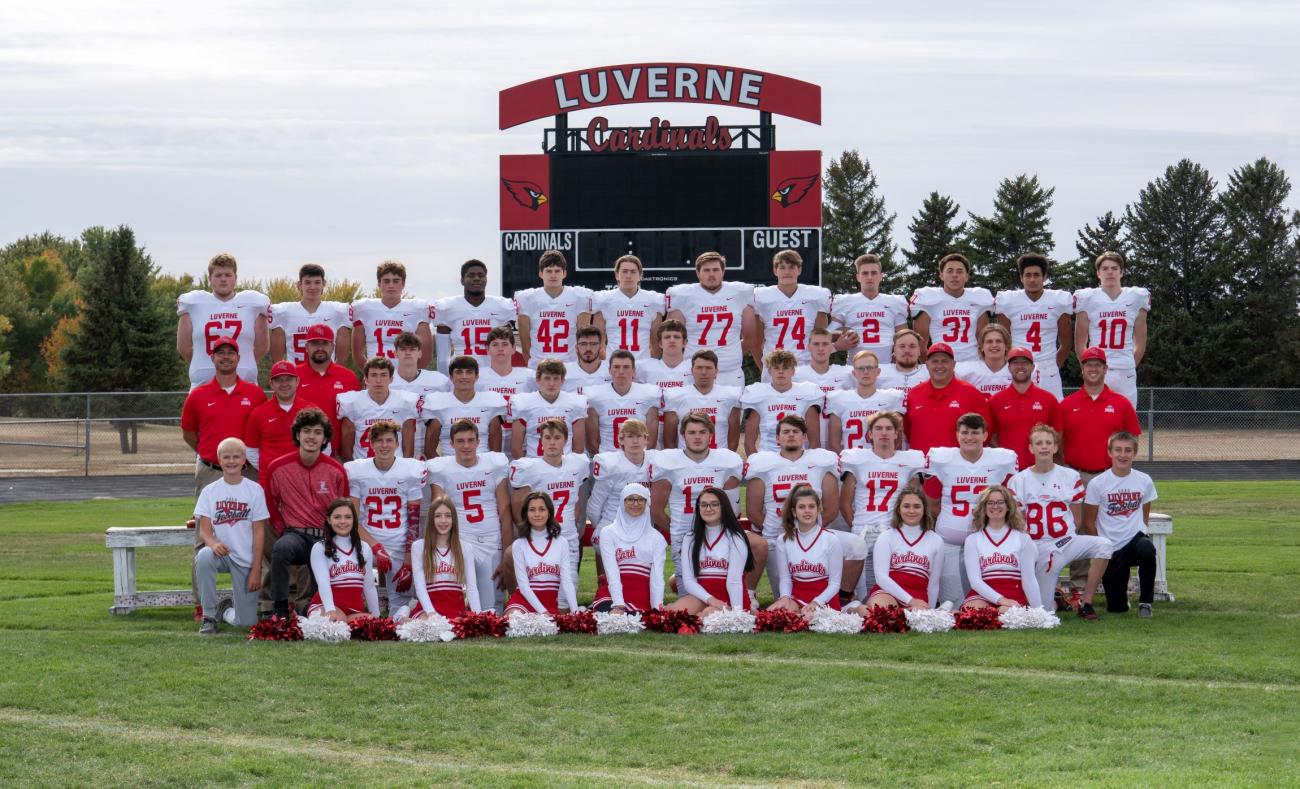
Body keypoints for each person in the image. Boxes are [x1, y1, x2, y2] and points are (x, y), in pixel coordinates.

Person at [180, 337, 267, 615]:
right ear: (212, 358)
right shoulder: (199, 395)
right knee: (203, 537)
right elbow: (189, 434)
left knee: (252, 532)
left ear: (238, 358)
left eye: (231, 353)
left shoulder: (254, 394)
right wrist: (214, 459)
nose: (226, 357)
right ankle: (201, 603)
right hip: (210, 471)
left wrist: (240, 462)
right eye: (220, 353)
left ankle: (258, 597)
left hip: (247, 472)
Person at [262, 408, 360, 618]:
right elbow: (271, 503)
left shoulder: (336, 470)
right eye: (307, 431)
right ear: (298, 434)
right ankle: (279, 610)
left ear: (325, 438)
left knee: (319, 600)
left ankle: (312, 609)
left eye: (317, 432)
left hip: (325, 538)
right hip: (295, 535)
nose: (311, 437)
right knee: (281, 548)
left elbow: (342, 506)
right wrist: (282, 527)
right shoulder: (278, 467)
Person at [1009, 424, 1113, 619]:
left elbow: (1077, 519)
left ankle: (1086, 602)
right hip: (1039, 546)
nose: (1044, 447)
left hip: (1067, 541)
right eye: (1038, 443)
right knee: (1044, 612)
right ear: (1031, 448)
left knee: (1105, 545)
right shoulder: (1019, 480)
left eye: (1048, 442)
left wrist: (1064, 539)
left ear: (1055, 447)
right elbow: (1019, 522)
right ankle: (1056, 600)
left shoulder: (1070, 476)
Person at [923, 413, 1018, 606]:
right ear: (957, 435)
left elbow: (1011, 498)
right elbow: (930, 499)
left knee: (991, 595)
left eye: (975, 432)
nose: (969, 437)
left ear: (985, 435)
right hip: (950, 540)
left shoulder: (1002, 458)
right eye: (964, 432)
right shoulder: (941, 458)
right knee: (953, 601)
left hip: (988, 542)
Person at [745, 415, 844, 599]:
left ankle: (849, 598)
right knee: (784, 595)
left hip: (813, 538)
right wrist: (779, 530)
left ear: (804, 437)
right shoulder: (763, 464)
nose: (791, 435)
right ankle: (748, 598)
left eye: (796, 432)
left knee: (856, 546)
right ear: (777, 438)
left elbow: (831, 509)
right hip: (776, 538)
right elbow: (753, 511)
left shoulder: (821, 462)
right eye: (786, 432)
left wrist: (809, 534)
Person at [649, 413, 750, 585]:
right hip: (683, 534)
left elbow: (733, 510)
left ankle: (749, 594)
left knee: (721, 584)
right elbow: (656, 511)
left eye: (702, 432)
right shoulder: (668, 462)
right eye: (692, 432)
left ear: (711, 434)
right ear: (683, 435)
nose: (697, 437)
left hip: (717, 534)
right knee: (688, 594)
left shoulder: (726, 461)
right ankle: (678, 582)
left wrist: (716, 530)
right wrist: (677, 529)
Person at [426, 420, 513, 613]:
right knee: (455, 603)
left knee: (493, 607)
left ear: (478, 442)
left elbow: (505, 511)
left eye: (470, 440)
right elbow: (439, 515)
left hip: (491, 541)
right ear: (451, 444)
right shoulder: (441, 468)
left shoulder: (494, 464)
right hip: (459, 541)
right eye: (460, 441)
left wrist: (506, 555)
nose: (466, 446)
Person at [838, 411, 926, 594]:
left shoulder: (910, 461)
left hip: (896, 531)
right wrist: (857, 526)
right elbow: (845, 503)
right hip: (864, 530)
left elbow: (916, 500)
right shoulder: (857, 460)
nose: (883, 433)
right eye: (878, 428)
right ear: (870, 434)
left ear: (896, 433)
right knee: (864, 591)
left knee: (894, 587)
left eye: (888, 428)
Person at [345, 419, 426, 614]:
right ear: (371, 444)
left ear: (397, 444)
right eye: (379, 440)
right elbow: (352, 520)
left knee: (401, 604)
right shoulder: (357, 470)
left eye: (389, 440)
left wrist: (408, 561)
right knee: (349, 588)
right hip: (365, 541)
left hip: (399, 544)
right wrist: (375, 546)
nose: (384, 445)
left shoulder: (410, 470)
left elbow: (414, 521)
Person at [194, 437, 268, 633]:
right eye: (226, 457)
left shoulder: (255, 490)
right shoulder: (210, 491)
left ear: (244, 459)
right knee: (203, 555)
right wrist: (212, 542)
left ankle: (225, 609)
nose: (231, 461)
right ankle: (209, 615)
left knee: (246, 623)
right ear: (219, 459)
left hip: (245, 559)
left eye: (236, 456)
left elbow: (259, 532)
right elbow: (204, 529)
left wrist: (256, 570)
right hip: (221, 554)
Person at [1084, 431, 1159, 617]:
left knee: (1147, 549)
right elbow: (1088, 522)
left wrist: (1140, 533)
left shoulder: (1144, 480)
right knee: (1117, 608)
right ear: (1110, 452)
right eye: (1118, 450)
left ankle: (1146, 602)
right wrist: (1102, 548)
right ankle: (1121, 595)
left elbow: (1144, 516)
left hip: (1135, 540)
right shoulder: (1097, 483)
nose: (1122, 455)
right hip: (1111, 547)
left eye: (1128, 450)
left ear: (1134, 453)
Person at [509, 419, 590, 580]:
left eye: (557, 438)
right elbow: (517, 507)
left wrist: (570, 525)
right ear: (541, 441)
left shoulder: (578, 464)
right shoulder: (529, 468)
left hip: (568, 537)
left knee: (567, 595)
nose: (552, 442)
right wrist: (530, 533)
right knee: (540, 588)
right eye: (547, 437)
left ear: (566, 441)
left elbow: (577, 502)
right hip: (540, 536)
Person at [175, 252, 269, 388]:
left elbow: (262, 347)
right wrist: (202, 365)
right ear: (210, 278)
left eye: (228, 275)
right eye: (218, 275)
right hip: (203, 385)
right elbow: (184, 348)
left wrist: (243, 366)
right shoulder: (193, 303)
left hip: (244, 384)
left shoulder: (253, 303)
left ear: (235, 278)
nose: (223, 279)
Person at [665, 251, 756, 388]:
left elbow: (750, 339)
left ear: (723, 272)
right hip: (694, 371)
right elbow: (672, 337)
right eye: (706, 270)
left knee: (733, 409)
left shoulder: (739, 293)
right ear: (698, 273)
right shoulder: (683, 295)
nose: (711, 274)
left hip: (729, 372)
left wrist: (730, 355)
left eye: (715, 270)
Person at [1073, 251, 1150, 407]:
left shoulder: (1136, 297)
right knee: (1096, 420)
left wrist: (1129, 364)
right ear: (1098, 273)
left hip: (1125, 367)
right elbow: (1080, 343)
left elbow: (1140, 341)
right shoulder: (1087, 298)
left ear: (1121, 272)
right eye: (1105, 268)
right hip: (1098, 366)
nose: (1110, 272)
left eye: (1114, 268)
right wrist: (1089, 367)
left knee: (1126, 422)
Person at [849, 486, 944, 612]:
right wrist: (910, 600)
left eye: (917, 506)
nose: (911, 511)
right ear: (898, 509)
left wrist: (929, 610)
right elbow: (881, 578)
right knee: (881, 612)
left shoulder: (936, 540)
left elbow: (934, 583)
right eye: (906, 506)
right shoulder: (887, 537)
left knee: (913, 621)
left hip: (918, 596)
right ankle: (853, 608)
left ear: (924, 509)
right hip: (887, 592)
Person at [665, 487, 755, 615]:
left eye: (714, 504)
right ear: (698, 508)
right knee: (673, 612)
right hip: (703, 596)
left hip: (730, 597)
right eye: (704, 505)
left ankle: (748, 611)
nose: (708, 509)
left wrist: (738, 612)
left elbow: (734, 581)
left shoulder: (735, 537)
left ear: (723, 507)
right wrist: (710, 599)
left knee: (707, 615)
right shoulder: (690, 539)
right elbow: (689, 581)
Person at [994, 253, 1073, 398]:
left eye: (1036, 275)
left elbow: (1066, 343)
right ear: (1021, 277)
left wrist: (1053, 365)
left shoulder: (1058, 300)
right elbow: (1003, 340)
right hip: (1017, 365)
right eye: (1028, 275)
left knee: (1053, 414)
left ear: (1044, 277)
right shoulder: (1008, 301)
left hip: (1048, 367)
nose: (1032, 279)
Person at [1059, 347, 1142, 477]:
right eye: (1089, 365)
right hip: (1074, 476)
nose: (1093, 369)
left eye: (1098, 365)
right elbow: (1058, 441)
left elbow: (1133, 440)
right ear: (1082, 369)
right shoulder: (1066, 405)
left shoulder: (1122, 404)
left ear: (1105, 369)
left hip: (1110, 475)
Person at [767, 485, 845, 618]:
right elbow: (785, 579)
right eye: (801, 507)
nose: (807, 511)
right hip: (797, 596)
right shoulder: (783, 540)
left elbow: (835, 584)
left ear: (819, 509)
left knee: (804, 618)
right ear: (793, 511)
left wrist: (817, 602)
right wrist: (785, 597)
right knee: (771, 615)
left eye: (811, 506)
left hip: (823, 599)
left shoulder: (831, 540)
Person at [399, 495, 482, 620]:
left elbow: (472, 587)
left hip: (455, 608)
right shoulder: (419, 546)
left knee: (459, 626)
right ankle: (402, 615)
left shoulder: (465, 547)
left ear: (453, 519)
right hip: (428, 608)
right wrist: (431, 614)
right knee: (421, 627)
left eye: (448, 516)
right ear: (431, 519)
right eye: (438, 516)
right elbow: (420, 585)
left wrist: (478, 617)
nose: (443, 520)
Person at [961, 485, 1041, 611]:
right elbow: (975, 581)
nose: (995, 506)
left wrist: (1038, 611)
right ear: (984, 507)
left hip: (1013, 593)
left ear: (1008, 506)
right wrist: (1001, 600)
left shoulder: (1023, 538)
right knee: (972, 610)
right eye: (990, 503)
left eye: (1000, 502)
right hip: (983, 594)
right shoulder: (972, 540)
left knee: (1005, 612)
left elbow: (1029, 579)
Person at [904, 342, 992, 455]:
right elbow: (907, 431)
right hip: (921, 467)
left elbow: (986, 431)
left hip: (956, 468)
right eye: (935, 361)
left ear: (954, 364)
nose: (939, 365)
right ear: (927, 365)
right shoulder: (914, 394)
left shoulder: (971, 393)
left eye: (944, 361)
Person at [751, 249, 833, 369]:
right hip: (774, 365)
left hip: (805, 364)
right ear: (775, 270)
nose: (787, 272)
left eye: (791, 267)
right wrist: (764, 367)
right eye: (782, 267)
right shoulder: (760, 297)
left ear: (799, 270)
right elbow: (756, 341)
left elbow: (822, 338)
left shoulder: (816, 296)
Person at [591, 484, 667, 613]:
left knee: (636, 620)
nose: (635, 504)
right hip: (613, 593)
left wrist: (656, 608)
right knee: (609, 616)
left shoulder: (657, 538)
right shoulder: (608, 532)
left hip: (641, 594)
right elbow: (611, 571)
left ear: (647, 502)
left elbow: (657, 577)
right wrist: (618, 604)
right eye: (630, 499)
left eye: (640, 499)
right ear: (622, 502)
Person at [504, 492, 578, 617]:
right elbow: (523, 586)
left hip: (550, 601)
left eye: (542, 509)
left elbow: (566, 580)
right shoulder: (519, 544)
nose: (537, 514)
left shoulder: (561, 542)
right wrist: (543, 612)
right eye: (532, 510)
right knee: (513, 618)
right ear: (526, 514)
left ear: (549, 512)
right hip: (525, 600)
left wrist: (575, 611)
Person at [909, 252, 993, 363]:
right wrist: (933, 366)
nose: (954, 275)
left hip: (973, 363)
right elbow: (920, 345)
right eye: (949, 271)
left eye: (959, 271)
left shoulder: (979, 297)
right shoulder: (927, 298)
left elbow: (982, 340)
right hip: (941, 364)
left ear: (967, 276)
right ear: (941, 275)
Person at [306, 498, 380, 621]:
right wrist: (330, 610)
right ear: (329, 520)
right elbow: (323, 582)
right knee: (338, 623)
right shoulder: (319, 547)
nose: (343, 521)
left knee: (371, 626)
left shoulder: (365, 547)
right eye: (337, 517)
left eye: (348, 517)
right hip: (325, 606)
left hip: (354, 610)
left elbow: (369, 586)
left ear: (354, 520)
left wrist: (377, 616)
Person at [989, 347, 1063, 470]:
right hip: (1007, 469)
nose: (1020, 366)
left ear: (1033, 367)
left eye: (1024, 363)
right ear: (1009, 368)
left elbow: (1057, 435)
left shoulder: (1048, 399)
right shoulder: (996, 401)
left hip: (1040, 469)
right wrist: (1004, 456)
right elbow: (992, 436)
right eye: (1015, 363)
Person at [515, 249, 593, 365]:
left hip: (569, 366)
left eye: (557, 271)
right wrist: (533, 364)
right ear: (541, 273)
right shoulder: (527, 298)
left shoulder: (579, 296)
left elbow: (583, 337)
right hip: (538, 366)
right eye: (548, 271)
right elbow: (525, 344)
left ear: (564, 273)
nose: (553, 275)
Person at [349, 260, 433, 367]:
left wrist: (410, 377)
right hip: (375, 375)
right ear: (379, 284)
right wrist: (370, 374)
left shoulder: (417, 309)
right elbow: (357, 354)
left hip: (407, 376)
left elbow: (425, 355)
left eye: (396, 281)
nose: (391, 285)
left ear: (403, 284)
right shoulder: (364, 308)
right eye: (386, 281)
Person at [292, 324, 360, 452]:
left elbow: (356, 417)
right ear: (306, 347)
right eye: (315, 343)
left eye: (324, 343)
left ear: (332, 347)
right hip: (300, 453)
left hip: (338, 454)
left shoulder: (348, 377)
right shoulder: (293, 376)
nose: (320, 348)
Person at [422, 355, 507, 458]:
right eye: (459, 372)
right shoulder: (437, 403)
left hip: (483, 464)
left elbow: (496, 452)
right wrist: (444, 470)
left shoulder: (491, 402)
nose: (464, 376)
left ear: (476, 376)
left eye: (469, 372)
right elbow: (429, 450)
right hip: (449, 463)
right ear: (451, 377)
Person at [337, 356, 418, 461]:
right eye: (374, 375)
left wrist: (403, 468)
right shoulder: (352, 402)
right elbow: (346, 450)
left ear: (391, 379)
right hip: (363, 467)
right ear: (365, 379)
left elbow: (408, 448)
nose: (378, 380)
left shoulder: (404, 401)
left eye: (383, 375)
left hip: (395, 466)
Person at [432, 259, 517, 360]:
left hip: (494, 371)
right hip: (462, 371)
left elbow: (508, 349)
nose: (476, 278)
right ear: (462, 280)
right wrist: (445, 376)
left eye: (481, 275)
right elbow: (442, 356)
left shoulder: (502, 306)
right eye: (471, 275)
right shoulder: (447, 307)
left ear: (486, 279)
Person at [829, 253, 907, 363]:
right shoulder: (845, 302)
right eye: (865, 273)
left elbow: (905, 336)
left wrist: (900, 352)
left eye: (874, 273)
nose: (869, 277)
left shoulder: (894, 302)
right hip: (855, 368)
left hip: (887, 366)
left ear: (881, 276)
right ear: (858, 277)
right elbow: (827, 335)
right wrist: (839, 340)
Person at [742, 349, 823, 453]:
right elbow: (749, 443)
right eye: (776, 368)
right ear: (770, 371)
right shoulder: (757, 393)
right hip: (768, 456)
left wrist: (806, 464)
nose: (781, 372)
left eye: (785, 368)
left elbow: (815, 442)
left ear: (793, 371)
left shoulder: (807, 392)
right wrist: (756, 464)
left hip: (798, 457)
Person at [269, 263, 351, 365]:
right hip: (295, 377)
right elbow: (278, 362)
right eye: (307, 282)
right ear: (299, 285)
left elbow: (341, 361)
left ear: (324, 283)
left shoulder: (337, 311)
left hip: (325, 377)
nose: (312, 287)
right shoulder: (284, 312)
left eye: (317, 282)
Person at [588, 419, 655, 543]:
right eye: (630, 436)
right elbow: (595, 505)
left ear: (646, 439)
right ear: (621, 440)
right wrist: (601, 527)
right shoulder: (610, 464)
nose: (635, 441)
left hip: (642, 524)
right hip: (612, 522)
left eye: (639, 436)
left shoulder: (655, 461)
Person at [825, 350, 906, 453]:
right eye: (861, 368)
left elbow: (897, 440)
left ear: (878, 371)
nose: (866, 372)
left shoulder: (892, 398)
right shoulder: (839, 399)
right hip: (851, 463)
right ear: (854, 373)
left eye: (870, 368)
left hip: (881, 462)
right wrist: (847, 463)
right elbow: (833, 444)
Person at [662, 350, 742, 451]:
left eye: (708, 368)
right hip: (686, 459)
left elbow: (733, 440)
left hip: (719, 458)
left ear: (716, 371)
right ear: (691, 371)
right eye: (699, 368)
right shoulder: (676, 396)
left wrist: (726, 459)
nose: (704, 372)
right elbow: (669, 440)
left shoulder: (730, 395)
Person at [389, 331, 451, 461]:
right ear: (395, 353)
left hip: (429, 445)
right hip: (395, 446)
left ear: (420, 353)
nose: (407, 353)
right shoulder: (386, 381)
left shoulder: (439, 381)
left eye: (412, 349)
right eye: (403, 349)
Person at [591, 254, 665, 360]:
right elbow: (597, 343)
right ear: (617, 275)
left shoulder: (653, 300)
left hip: (643, 364)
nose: (628, 276)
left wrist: (648, 364)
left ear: (640, 275)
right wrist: (609, 363)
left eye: (633, 272)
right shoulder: (604, 300)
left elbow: (656, 346)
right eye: (624, 271)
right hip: (614, 365)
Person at [476, 325, 535, 458]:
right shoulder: (477, 377)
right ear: (487, 350)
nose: (500, 348)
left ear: (514, 349)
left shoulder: (529, 377)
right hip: (486, 445)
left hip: (522, 444)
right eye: (495, 344)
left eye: (505, 344)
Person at [585, 350, 660, 453]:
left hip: (638, 458)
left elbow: (650, 441)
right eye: (616, 367)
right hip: (608, 458)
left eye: (626, 367)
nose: (621, 371)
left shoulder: (648, 394)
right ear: (609, 370)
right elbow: (593, 442)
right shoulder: (595, 395)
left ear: (634, 371)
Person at [509, 360, 587, 457]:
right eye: (547, 378)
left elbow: (578, 448)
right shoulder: (524, 403)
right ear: (538, 379)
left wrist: (567, 467)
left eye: (556, 379)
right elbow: (516, 448)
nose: (551, 383)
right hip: (535, 465)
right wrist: (530, 467)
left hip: (564, 467)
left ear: (562, 380)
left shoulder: (575, 403)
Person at [244, 361, 308, 471]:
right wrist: (269, 470)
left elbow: (325, 445)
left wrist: (309, 468)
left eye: (289, 379)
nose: (284, 384)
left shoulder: (311, 411)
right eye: (279, 380)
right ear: (272, 384)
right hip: (270, 480)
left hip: (304, 478)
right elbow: (250, 450)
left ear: (297, 381)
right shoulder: (258, 413)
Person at [795, 327, 853, 439]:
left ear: (832, 347)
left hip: (837, 439)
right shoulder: (796, 375)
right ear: (808, 347)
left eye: (825, 344)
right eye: (816, 344)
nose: (821, 348)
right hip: (807, 442)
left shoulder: (846, 374)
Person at [636, 319, 693, 396]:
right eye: (667, 337)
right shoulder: (644, 367)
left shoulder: (694, 366)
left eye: (676, 337)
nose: (672, 340)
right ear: (660, 343)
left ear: (684, 343)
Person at [954, 323, 1012, 398]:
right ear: (982, 347)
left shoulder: (1015, 370)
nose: (994, 345)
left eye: (998, 341)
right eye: (989, 341)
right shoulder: (966, 370)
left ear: (1006, 346)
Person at [876, 328, 930, 393]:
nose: (907, 351)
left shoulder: (930, 372)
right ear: (894, 350)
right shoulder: (878, 372)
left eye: (912, 346)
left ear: (919, 351)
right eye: (902, 346)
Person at [563, 325, 611, 395]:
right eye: (583, 344)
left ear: (600, 347)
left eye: (593, 344)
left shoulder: (612, 370)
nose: (588, 348)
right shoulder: (564, 371)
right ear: (576, 347)